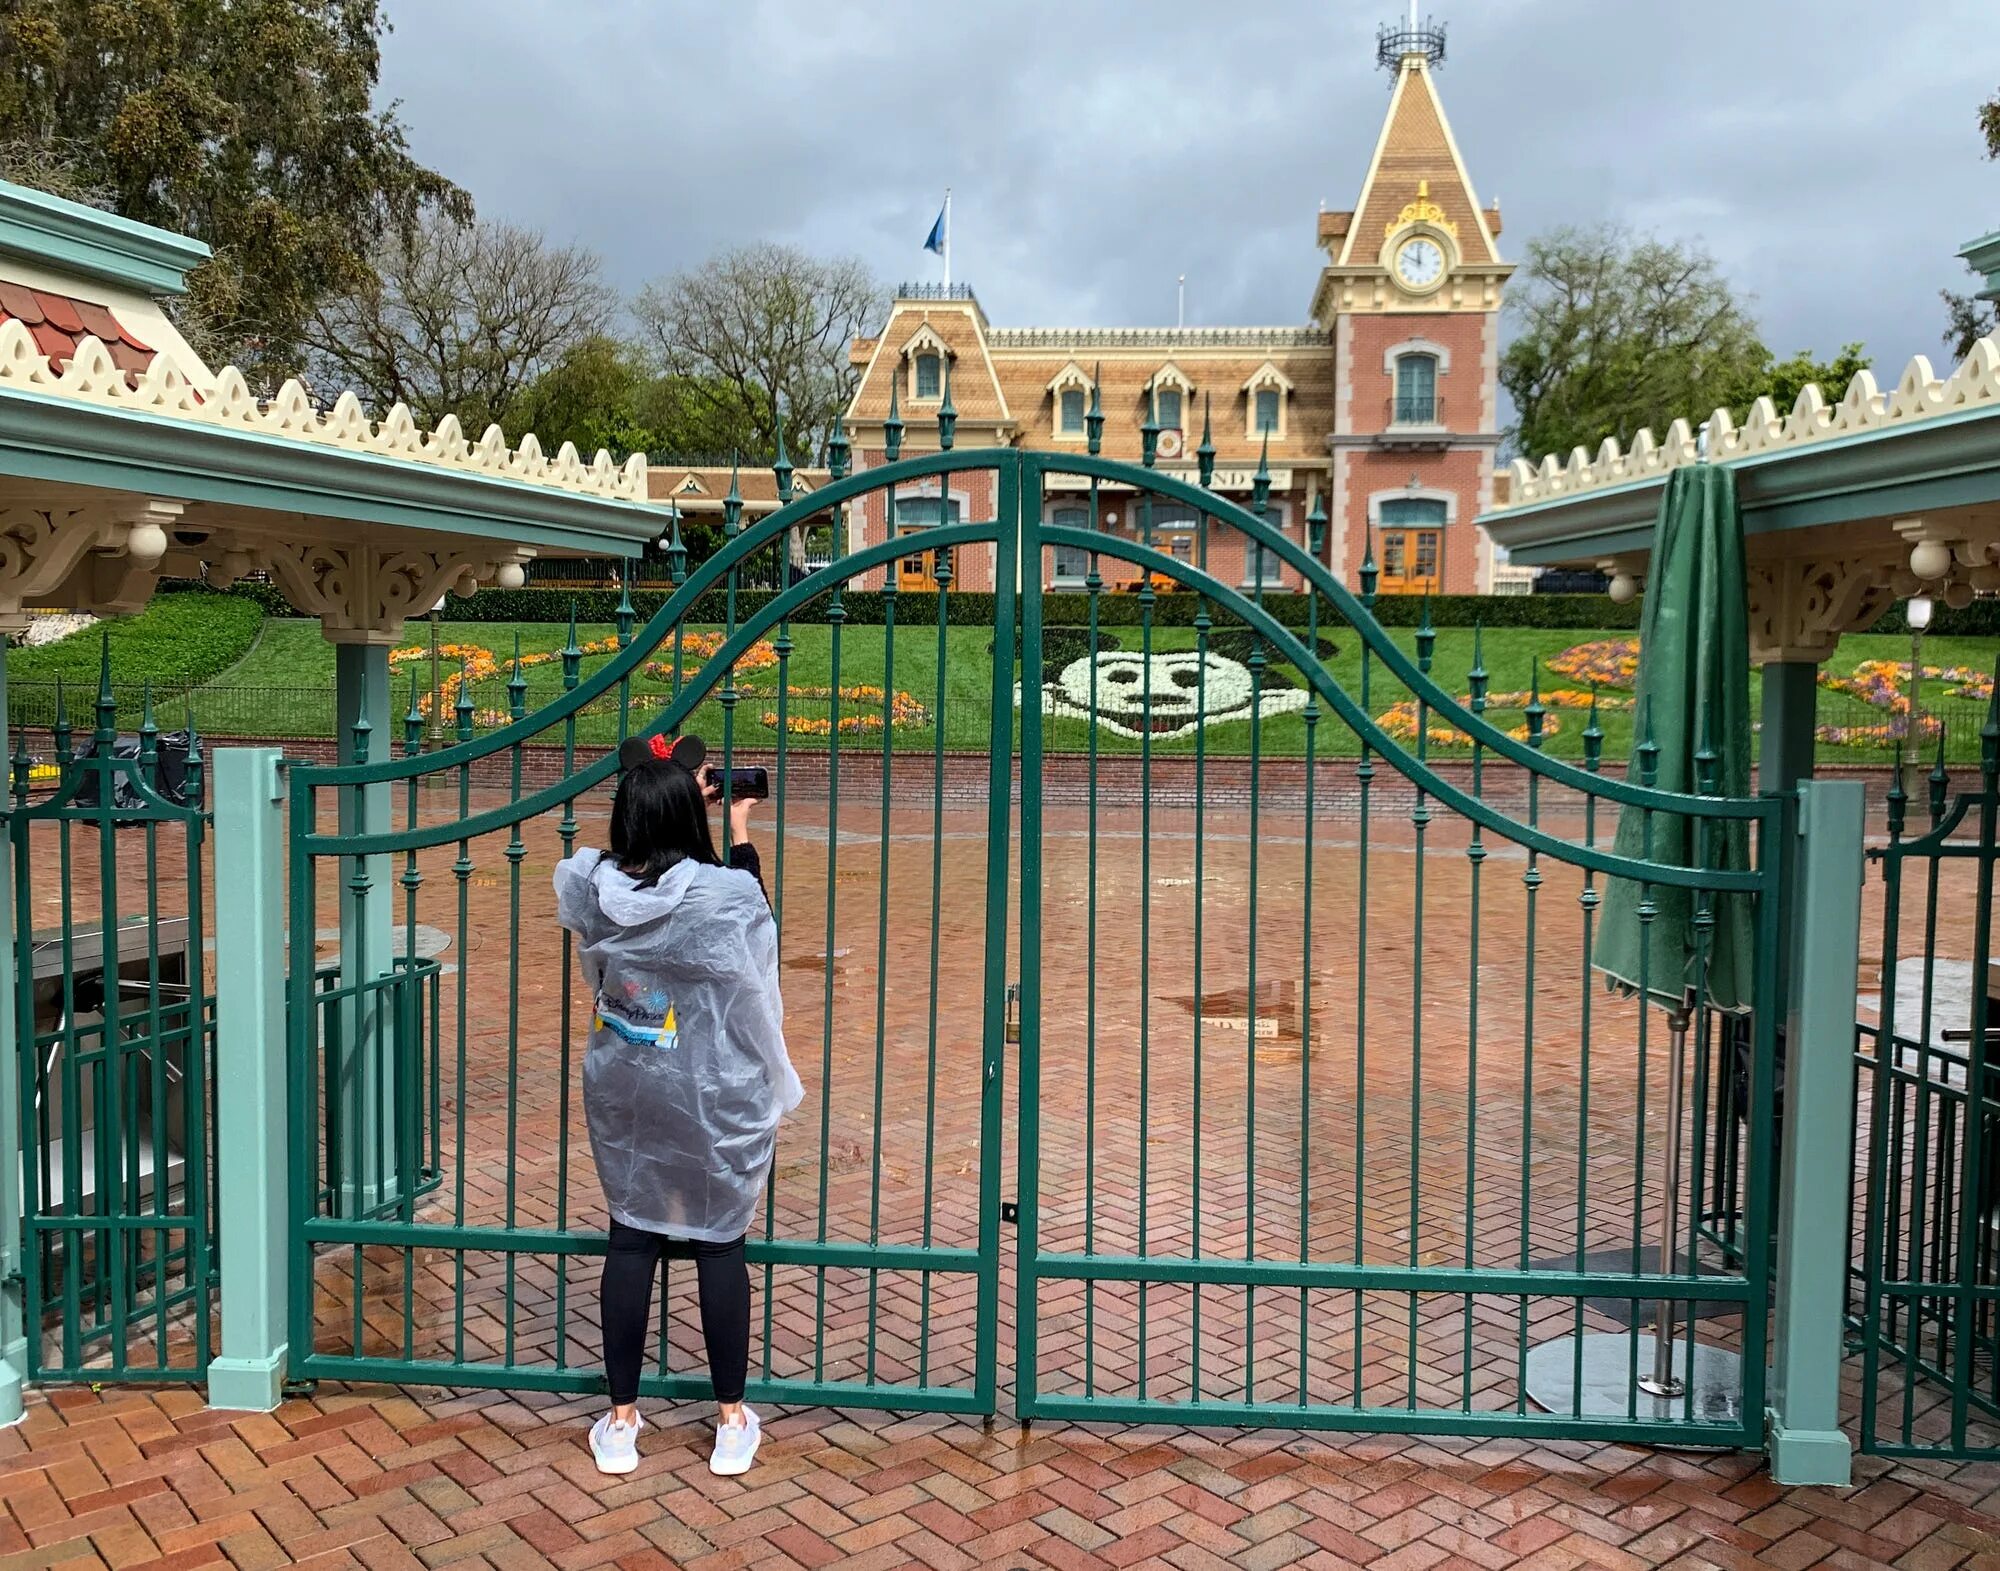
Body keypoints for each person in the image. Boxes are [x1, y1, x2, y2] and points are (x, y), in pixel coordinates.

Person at [553, 733, 802, 1478]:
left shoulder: (590, 885)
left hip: (630, 1079)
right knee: (720, 1240)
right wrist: (740, 832)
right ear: (694, 809)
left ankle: (623, 1420)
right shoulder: (723, 894)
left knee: (632, 1236)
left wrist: (673, 797)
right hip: (714, 1087)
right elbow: (753, 937)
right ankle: (730, 1420)